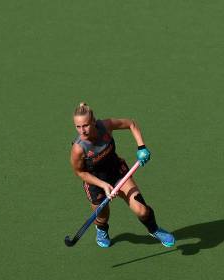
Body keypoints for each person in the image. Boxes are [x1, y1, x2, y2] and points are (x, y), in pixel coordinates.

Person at [70, 102, 175, 248]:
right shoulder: (78, 149)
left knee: (142, 211)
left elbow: (131, 124)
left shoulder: (106, 126)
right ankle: (101, 230)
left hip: (118, 173)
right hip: (95, 183)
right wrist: (103, 185)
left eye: (86, 125)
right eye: (78, 127)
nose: (83, 131)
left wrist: (141, 147)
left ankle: (154, 229)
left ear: (93, 121)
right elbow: (79, 172)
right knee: (102, 217)